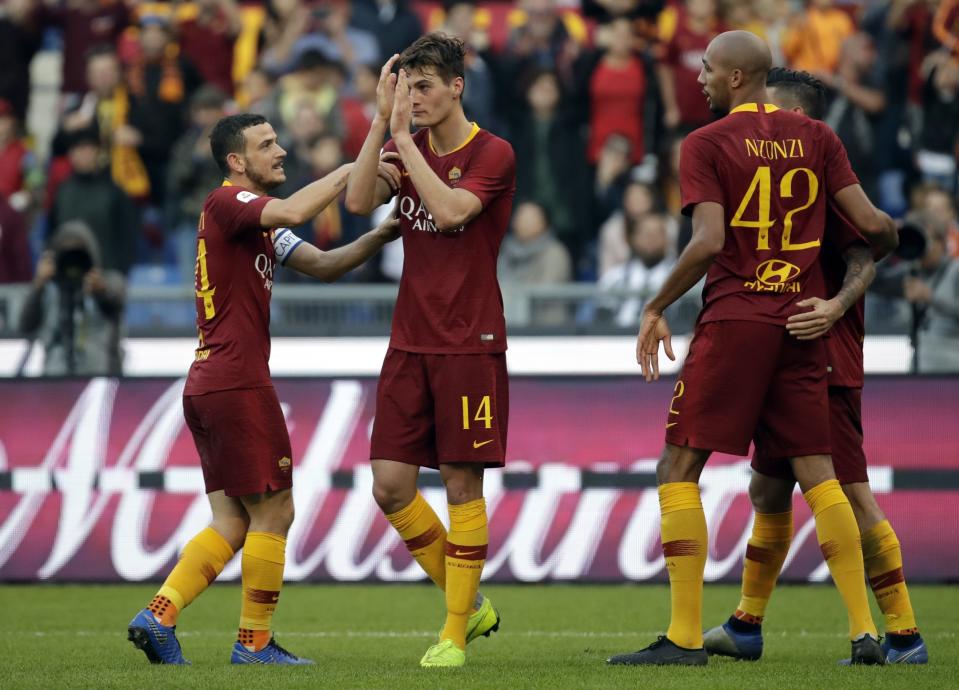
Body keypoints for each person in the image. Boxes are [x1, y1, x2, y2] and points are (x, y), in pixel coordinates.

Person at [606, 30, 897, 667]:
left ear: (737, 78)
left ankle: (684, 638)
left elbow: (709, 241)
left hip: (737, 318)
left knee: (677, 469)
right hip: (801, 322)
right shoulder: (819, 138)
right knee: (820, 475)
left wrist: (656, 306)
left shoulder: (706, 143)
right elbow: (873, 227)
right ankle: (863, 632)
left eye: (708, 69)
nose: (701, 78)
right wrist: (887, 244)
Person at [126, 112, 403, 666]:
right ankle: (253, 643)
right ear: (236, 161)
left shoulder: (258, 225)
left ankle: (158, 616)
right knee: (275, 510)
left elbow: (324, 265)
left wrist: (379, 235)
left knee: (233, 520)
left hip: (210, 380)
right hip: (235, 381)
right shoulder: (230, 203)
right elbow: (301, 207)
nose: (280, 152)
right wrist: (354, 169)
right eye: (266, 145)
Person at [702, 67, 928, 666]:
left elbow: (871, 251)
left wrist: (833, 307)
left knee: (850, 492)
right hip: (783, 357)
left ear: (801, 119)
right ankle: (747, 624)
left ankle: (904, 634)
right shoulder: (781, 178)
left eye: (772, 109)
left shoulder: (824, 182)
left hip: (822, 357)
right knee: (767, 488)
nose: (762, 121)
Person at [344, 34, 515, 669]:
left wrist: (405, 144)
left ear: (455, 88)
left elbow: (447, 213)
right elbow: (359, 203)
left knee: (462, 484)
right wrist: (377, 127)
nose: (412, 98)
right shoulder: (399, 142)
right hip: (409, 338)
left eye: (422, 87)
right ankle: (471, 601)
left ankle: (453, 633)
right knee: (389, 486)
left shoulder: (493, 153)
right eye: (405, 85)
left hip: (469, 340)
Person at [19, 221, 124, 375]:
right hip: (54, 379)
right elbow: (26, 325)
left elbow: (116, 308)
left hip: (101, 378)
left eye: (78, 254)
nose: (73, 264)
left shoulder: (108, 282)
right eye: (67, 255)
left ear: (91, 253)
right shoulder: (48, 288)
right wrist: (38, 285)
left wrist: (101, 292)